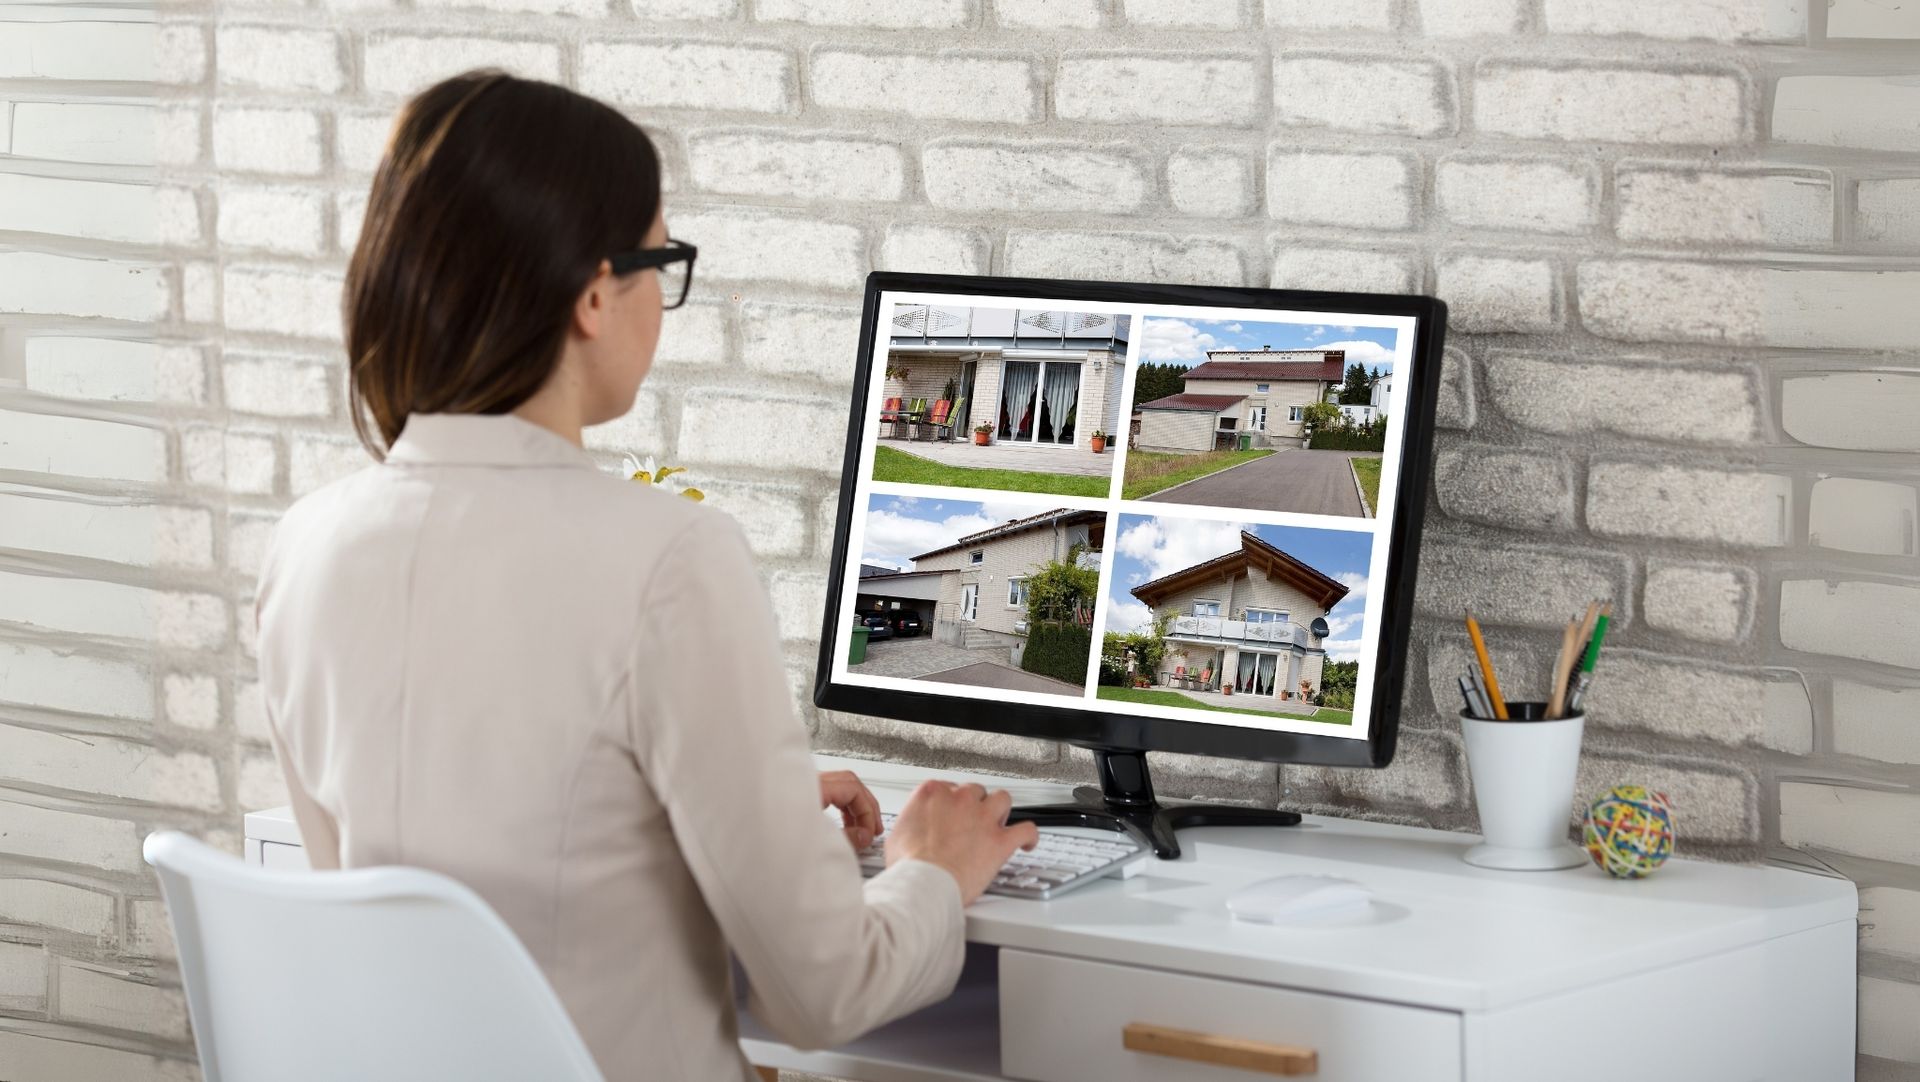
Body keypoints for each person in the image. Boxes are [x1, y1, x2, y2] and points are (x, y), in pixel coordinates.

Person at [253, 70, 1038, 1082]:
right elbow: (825, 992)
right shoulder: (669, 557)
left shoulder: (306, 544)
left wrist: (712, 807)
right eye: (659, 262)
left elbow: (420, 902)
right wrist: (933, 870)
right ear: (592, 291)